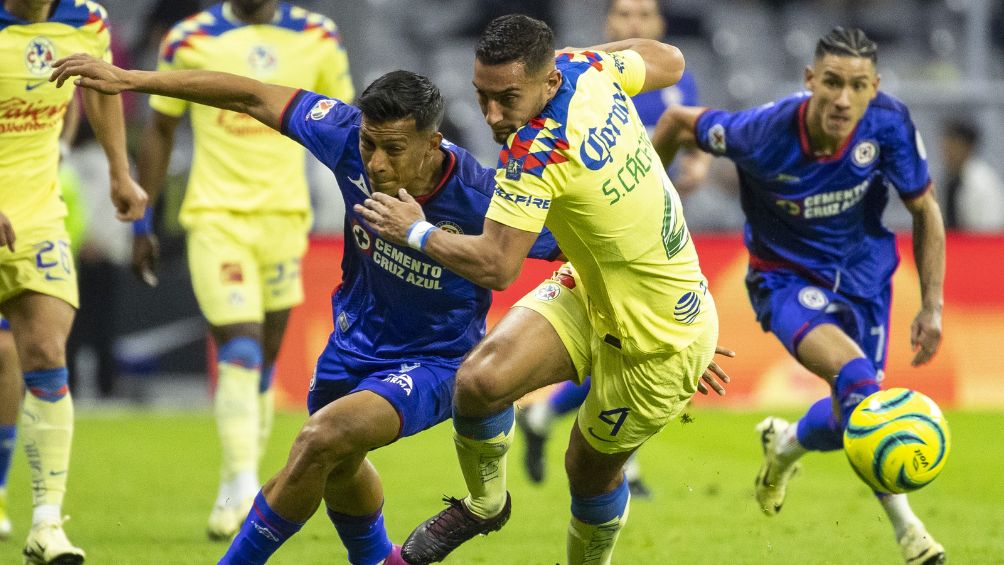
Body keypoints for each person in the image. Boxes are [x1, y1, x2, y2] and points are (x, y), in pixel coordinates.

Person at [50, 51, 572, 563]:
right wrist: (130, 79)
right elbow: (248, 94)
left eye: (393, 149)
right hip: (351, 343)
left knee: (322, 439)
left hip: (435, 361)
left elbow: (575, 243)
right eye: (369, 144)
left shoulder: (484, 195)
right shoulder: (343, 135)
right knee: (339, 464)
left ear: (432, 144)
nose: (376, 163)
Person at [356, 14, 728, 565]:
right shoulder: (587, 69)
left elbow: (497, 266)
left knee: (586, 468)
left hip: (661, 336)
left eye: (507, 97)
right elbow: (669, 59)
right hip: (594, 289)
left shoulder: (535, 151)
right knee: (479, 382)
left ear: (548, 81)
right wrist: (571, 59)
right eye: (482, 95)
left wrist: (415, 230)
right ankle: (486, 506)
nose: (492, 115)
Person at [652, 27, 947, 565]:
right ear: (810, 79)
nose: (843, 99)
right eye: (831, 82)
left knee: (849, 416)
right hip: (785, 280)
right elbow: (676, 122)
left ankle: (786, 446)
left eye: (857, 86)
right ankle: (910, 532)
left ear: (874, 87)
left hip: (865, 279)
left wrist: (932, 306)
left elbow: (925, 209)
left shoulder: (889, 123)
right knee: (861, 387)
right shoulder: (763, 131)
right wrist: (650, 207)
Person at [134, 0, 354, 540]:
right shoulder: (190, 38)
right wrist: (143, 219)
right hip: (216, 218)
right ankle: (239, 484)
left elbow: (346, 128)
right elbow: (160, 127)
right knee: (242, 347)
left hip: (285, 220)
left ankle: (241, 485)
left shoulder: (319, 36)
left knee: (265, 359)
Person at [516, 0, 716, 498]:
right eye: (625, 15)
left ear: (658, 24)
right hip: (601, 232)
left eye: (643, 16)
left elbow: (689, 133)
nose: (633, 23)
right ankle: (617, 462)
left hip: (654, 228)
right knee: (636, 344)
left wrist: (698, 164)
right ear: (609, 23)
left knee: (636, 343)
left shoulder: (674, 86)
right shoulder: (594, 79)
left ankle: (545, 418)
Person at [1, 0, 148, 562]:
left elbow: (100, 89)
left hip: (38, 217)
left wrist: (119, 172)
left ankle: (45, 524)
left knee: (44, 351)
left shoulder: (86, 20)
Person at [940, 119, 1004, 232]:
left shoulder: (982, 183)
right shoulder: (949, 180)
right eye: (946, 148)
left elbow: (990, 228)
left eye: (953, 147)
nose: (947, 153)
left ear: (967, 147)